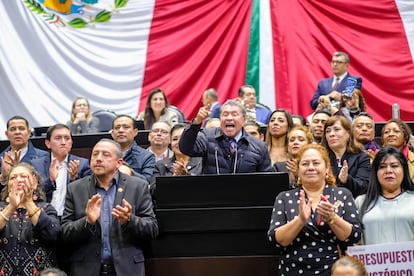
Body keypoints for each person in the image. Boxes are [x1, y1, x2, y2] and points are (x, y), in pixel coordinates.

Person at [61, 139, 159, 276]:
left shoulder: (137, 186)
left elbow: (152, 229)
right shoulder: (75, 188)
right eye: (95, 154)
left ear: (119, 162)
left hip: (126, 269)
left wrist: (129, 220)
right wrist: (87, 221)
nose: (98, 159)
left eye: (105, 155)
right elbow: (65, 233)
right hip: (87, 269)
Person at [267, 144, 362, 275]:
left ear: (327, 168)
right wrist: (300, 220)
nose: (311, 167)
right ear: (298, 170)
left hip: (332, 271)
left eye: (316, 163)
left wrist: (332, 218)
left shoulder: (342, 194)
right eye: (305, 164)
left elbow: (353, 236)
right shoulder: (284, 197)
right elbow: (276, 240)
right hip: (293, 270)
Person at [179, 99, 272, 174]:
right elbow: (186, 148)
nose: (229, 118)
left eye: (234, 114)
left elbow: (267, 180)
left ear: (244, 120)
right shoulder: (207, 136)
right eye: (225, 114)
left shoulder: (259, 146)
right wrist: (196, 123)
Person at [0, 163, 60, 274]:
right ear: (8, 185)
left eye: (24, 177)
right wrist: (11, 206)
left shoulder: (46, 208)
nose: (19, 180)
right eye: (13, 177)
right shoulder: (1, 208)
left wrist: (28, 202)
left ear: (35, 182)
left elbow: (52, 234)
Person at [355, 147, 414, 245]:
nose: (388, 171)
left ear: (404, 170)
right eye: (382, 167)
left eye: (394, 166)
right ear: (375, 173)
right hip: (369, 260)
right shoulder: (360, 202)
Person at [29, 124, 91, 216]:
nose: (63, 142)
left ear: (71, 143)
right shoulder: (36, 165)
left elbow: (88, 194)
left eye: (67, 138)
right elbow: (32, 194)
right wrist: (51, 181)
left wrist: (75, 180)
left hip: (71, 217)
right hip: (43, 216)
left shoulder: (82, 164)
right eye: (58, 138)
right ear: (48, 143)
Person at [321, 115, 371, 197]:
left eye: (336, 129)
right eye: (328, 131)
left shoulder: (362, 157)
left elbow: (364, 187)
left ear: (348, 133)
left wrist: (346, 180)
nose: (331, 134)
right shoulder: (320, 158)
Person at [150, 123, 202, 193]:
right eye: (175, 139)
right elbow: (154, 193)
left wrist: (185, 177)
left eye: (184, 138)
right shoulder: (160, 165)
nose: (179, 142)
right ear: (170, 142)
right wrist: (174, 178)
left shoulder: (202, 163)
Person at [0, 116, 48, 185]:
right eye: (13, 129)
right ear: (7, 134)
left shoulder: (43, 157)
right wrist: (3, 176)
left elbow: (45, 186)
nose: (17, 132)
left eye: (21, 129)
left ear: (29, 133)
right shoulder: (1, 158)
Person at [111, 115, 155, 183]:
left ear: (135, 132)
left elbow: (148, 183)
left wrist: (130, 172)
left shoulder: (147, 157)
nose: (121, 130)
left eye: (126, 127)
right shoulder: (104, 155)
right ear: (112, 133)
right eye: (117, 127)